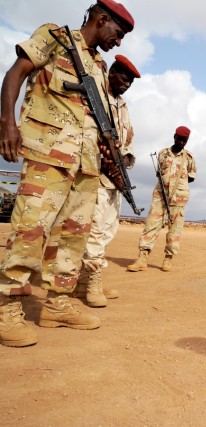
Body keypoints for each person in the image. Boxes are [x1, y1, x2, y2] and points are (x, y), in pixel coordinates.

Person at [0, 0, 134, 347]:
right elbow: (15, 73)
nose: (117, 42)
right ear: (102, 19)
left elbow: (98, 120)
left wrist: (111, 159)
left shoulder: (99, 66)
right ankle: (7, 308)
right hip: (48, 153)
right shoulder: (55, 38)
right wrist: (7, 123)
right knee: (31, 230)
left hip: (86, 165)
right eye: (117, 34)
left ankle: (57, 304)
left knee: (72, 238)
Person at [70, 54, 140, 308]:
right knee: (95, 231)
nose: (126, 85)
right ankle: (93, 283)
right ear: (111, 73)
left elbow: (128, 141)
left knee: (109, 229)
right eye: (124, 78)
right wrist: (102, 157)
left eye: (130, 82)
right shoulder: (95, 95)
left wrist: (122, 163)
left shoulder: (122, 106)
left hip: (113, 179)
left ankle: (82, 283)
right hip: (92, 175)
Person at [127, 126, 196, 272]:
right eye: (180, 138)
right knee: (151, 225)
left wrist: (176, 187)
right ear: (174, 136)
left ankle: (168, 260)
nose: (182, 142)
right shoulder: (162, 154)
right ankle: (142, 258)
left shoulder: (189, 158)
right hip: (160, 195)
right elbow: (159, 172)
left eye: (185, 140)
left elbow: (191, 178)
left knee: (175, 229)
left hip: (179, 198)